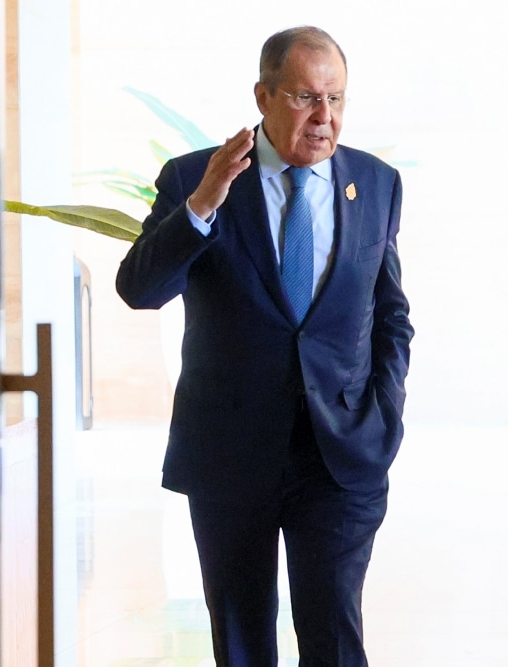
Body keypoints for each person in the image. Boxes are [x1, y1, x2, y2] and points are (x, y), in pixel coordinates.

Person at [115, 26, 412, 666]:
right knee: (242, 638)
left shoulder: (376, 183)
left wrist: (385, 410)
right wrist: (201, 206)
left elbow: (390, 313)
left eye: (336, 99)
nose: (324, 117)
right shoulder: (195, 176)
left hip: (340, 453)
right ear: (264, 96)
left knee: (334, 632)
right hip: (230, 452)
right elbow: (141, 290)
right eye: (307, 98)